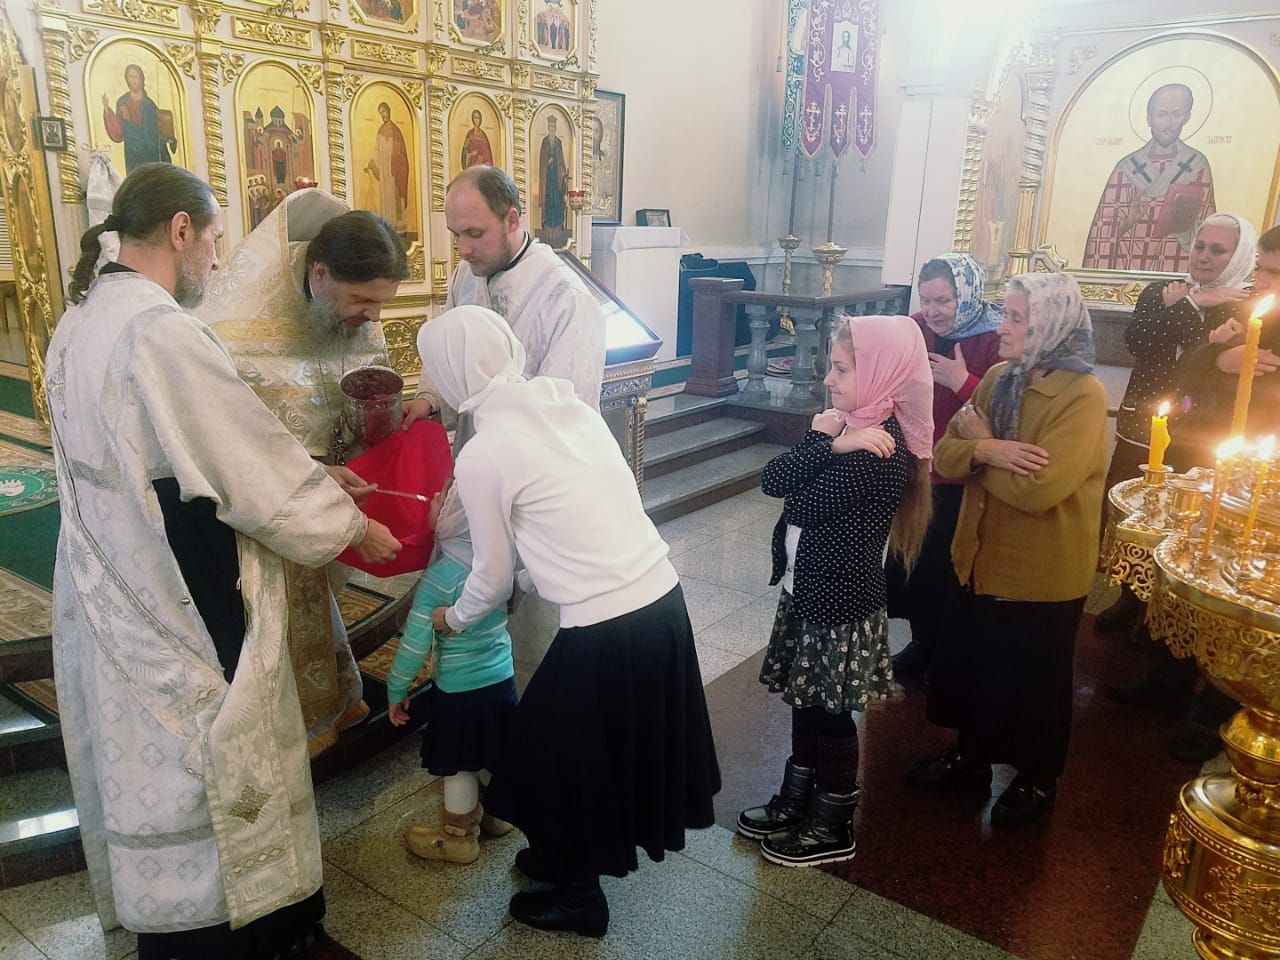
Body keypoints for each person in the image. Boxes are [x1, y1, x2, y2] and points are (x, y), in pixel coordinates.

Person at [49, 162, 401, 958]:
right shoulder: (160, 331)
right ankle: (244, 934)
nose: (216, 258)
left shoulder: (82, 315)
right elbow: (241, 465)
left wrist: (315, 476)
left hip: (116, 576)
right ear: (181, 230)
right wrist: (348, 524)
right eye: (212, 238)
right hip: (183, 578)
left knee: (160, 763)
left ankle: (202, 927)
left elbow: (194, 452)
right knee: (220, 747)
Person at [416, 306, 720, 938]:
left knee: (556, 759)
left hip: (607, 629)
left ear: (449, 370)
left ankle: (581, 899)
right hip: (661, 603)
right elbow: (576, 522)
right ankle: (559, 858)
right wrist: (531, 582)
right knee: (575, 749)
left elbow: (491, 575)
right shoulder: (570, 410)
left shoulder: (484, 452)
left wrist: (453, 618)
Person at [196, 191, 410, 756]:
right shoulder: (232, 328)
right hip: (257, 517)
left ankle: (331, 705)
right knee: (276, 619)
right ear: (320, 274)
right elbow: (233, 443)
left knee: (315, 608)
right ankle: (285, 733)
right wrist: (310, 473)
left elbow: (363, 379)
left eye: (382, 302)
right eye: (363, 299)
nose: (374, 316)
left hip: (327, 497)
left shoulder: (356, 318)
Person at [909, 272, 1107, 828]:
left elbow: (1039, 490)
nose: (1004, 327)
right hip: (979, 554)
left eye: (1017, 318)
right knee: (973, 667)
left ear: (1052, 325)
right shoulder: (999, 378)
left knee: (1034, 682)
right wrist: (989, 450)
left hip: (1041, 570)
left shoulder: (1082, 396)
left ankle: (1038, 776)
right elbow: (945, 454)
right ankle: (969, 757)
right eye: (1006, 314)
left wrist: (979, 449)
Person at [737, 314, 933, 867]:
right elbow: (777, 480)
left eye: (842, 368)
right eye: (831, 366)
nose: (829, 379)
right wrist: (834, 442)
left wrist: (825, 441)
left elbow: (793, 495)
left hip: (839, 603)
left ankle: (832, 820)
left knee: (832, 712)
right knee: (805, 699)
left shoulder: (879, 448)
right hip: (810, 590)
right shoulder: (854, 431)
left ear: (881, 373)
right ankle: (797, 800)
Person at [1096, 213, 1256, 637]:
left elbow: (1199, 361)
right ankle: (1128, 598)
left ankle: (1163, 612)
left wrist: (1186, 311)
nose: (1203, 256)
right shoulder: (1161, 291)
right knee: (1134, 516)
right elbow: (1140, 341)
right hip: (1142, 422)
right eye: (1199, 246)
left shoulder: (1245, 306)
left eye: (1217, 250)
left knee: (1182, 525)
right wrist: (1193, 305)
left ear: (1239, 255)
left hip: (1198, 432)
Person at [412, 164, 606, 423]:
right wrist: (427, 399)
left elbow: (567, 410)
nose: (463, 249)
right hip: (475, 441)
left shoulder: (566, 297)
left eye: (474, 233)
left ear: (512, 220)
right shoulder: (465, 275)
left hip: (531, 443)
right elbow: (448, 350)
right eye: (456, 235)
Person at [388, 477, 516, 865]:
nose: (434, 499)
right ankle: (498, 815)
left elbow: (414, 646)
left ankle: (458, 836)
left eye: (441, 500)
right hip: (502, 678)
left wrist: (396, 689)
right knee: (494, 749)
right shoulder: (497, 561)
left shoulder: (441, 577)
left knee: (459, 763)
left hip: (460, 690)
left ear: (452, 518)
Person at [887, 254, 1003, 680]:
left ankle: (951, 653)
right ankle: (923, 643)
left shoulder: (995, 336)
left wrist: (961, 381)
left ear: (966, 295)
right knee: (916, 561)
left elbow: (1007, 413)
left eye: (944, 300)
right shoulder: (915, 328)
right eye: (927, 299)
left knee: (951, 567)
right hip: (918, 464)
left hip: (964, 473)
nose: (933, 311)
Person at [1082, 83, 1215, 274]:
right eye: (1161, 114)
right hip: (1127, 267)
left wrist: (1185, 228)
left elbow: (1208, 227)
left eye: (1177, 114)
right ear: (1149, 118)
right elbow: (1101, 231)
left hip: (1176, 265)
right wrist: (1128, 221)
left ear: (1187, 117)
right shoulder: (1127, 168)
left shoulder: (1196, 165)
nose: (1168, 124)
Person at [101, 64, 175, 172]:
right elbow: (118, 132)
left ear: (141, 79)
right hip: (132, 153)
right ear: (126, 79)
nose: (133, 81)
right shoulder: (122, 102)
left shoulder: (149, 105)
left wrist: (165, 138)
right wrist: (107, 110)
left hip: (150, 153)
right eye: (130, 77)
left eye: (136, 77)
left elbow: (154, 133)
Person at [366, 102, 411, 230]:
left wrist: (396, 164)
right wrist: (372, 162)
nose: (383, 115)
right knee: (386, 196)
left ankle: (398, 224)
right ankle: (387, 224)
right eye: (380, 113)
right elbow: (377, 150)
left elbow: (401, 153)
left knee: (395, 195)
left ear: (389, 111)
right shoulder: (380, 130)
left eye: (384, 112)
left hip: (394, 170)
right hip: (384, 170)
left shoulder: (396, 131)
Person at [536, 116, 570, 248]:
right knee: (549, 204)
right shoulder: (545, 142)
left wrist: (563, 175)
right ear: (548, 127)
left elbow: (561, 160)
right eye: (550, 126)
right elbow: (542, 162)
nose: (552, 128)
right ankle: (548, 233)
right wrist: (547, 163)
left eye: (554, 126)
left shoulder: (558, 142)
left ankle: (557, 232)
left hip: (557, 182)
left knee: (558, 204)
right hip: (548, 181)